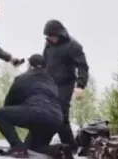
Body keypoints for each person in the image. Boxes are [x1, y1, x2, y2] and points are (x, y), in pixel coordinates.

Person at [0, 54, 73, 159]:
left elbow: (8, 104)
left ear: (30, 65)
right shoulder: (51, 81)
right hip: (56, 118)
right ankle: (61, 150)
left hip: (37, 112)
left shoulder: (23, 78)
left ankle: (17, 148)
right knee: (33, 149)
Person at [38, 19, 89, 151]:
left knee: (60, 113)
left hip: (65, 84)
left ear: (60, 34)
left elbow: (82, 66)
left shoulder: (73, 45)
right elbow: (45, 63)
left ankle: (70, 147)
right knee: (48, 113)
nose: (51, 39)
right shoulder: (48, 46)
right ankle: (43, 143)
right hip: (50, 83)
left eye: (52, 36)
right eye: (48, 37)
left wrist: (80, 85)